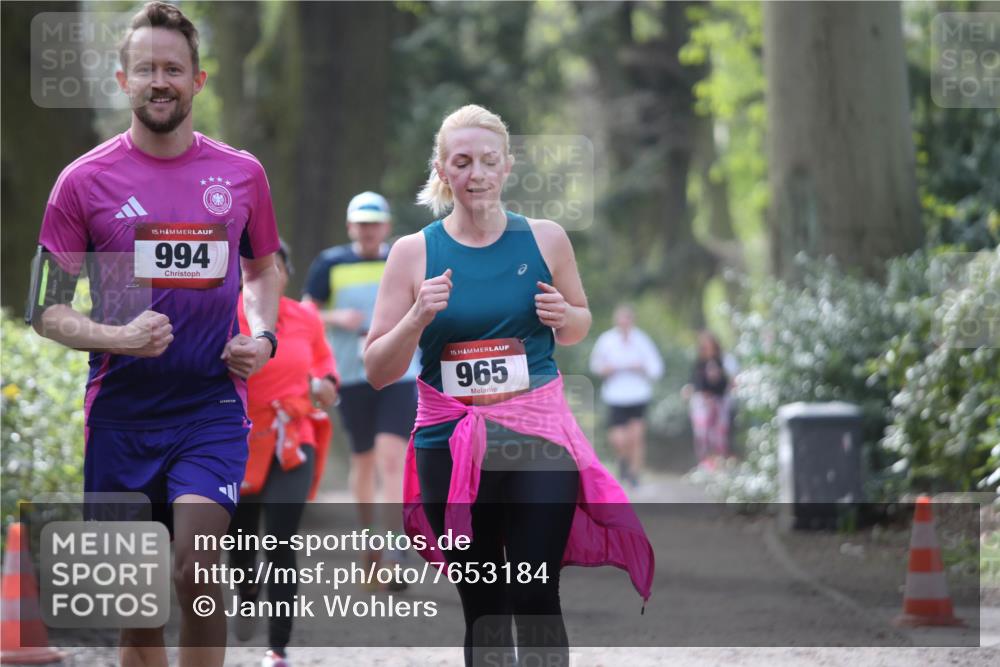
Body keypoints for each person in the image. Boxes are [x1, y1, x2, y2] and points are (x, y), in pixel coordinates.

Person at [27, 3, 281, 666]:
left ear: (199, 81)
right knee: (135, 614)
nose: (159, 80)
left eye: (173, 68)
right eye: (146, 69)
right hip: (119, 415)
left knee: (197, 567)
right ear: (123, 80)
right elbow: (46, 309)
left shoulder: (241, 174)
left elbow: (263, 269)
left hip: (209, 407)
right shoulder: (83, 182)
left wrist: (264, 335)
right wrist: (117, 335)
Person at [364, 104, 654, 667]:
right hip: (448, 443)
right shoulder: (412, 253)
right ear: (442, 170)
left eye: (488, 161)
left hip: (536, 436)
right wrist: (417, 318)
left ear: (508, 167)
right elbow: (377, 369)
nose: (477, 174)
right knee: (485, 608)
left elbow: (578, 325)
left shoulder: (546, 239)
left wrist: (561, 314)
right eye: (463, 161)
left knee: (535, 594)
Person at [228, 241, 338, 667]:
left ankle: (278, 647)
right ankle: (247, 589)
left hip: (293, 438)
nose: (268, 275)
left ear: (286, 274)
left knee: (280, 539)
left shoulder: (305, 318)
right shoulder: (228, 312)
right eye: (258, 269)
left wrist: (325, 385)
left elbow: (327, 369)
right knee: (240, 536)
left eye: (276, 268)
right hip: (239, 440)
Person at [303, 191, 418, 585]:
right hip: (351, 375)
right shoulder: (330, 264)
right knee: (364, 461)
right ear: (351, 226)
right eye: (361, 223)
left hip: (401, 372)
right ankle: (370, 541)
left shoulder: (401, 259)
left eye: (375, 223)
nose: (368, 231)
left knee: (392, 458)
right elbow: (305, 312)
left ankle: (394, 550)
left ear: (386, 226)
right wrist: (337, 316)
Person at [589, 304, 664, 488]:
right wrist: (605, 369)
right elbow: (595, 365)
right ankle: (622, 461)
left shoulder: (642, 340)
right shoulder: (606, 340)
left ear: (632, 320)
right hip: (615, 396)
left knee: (636, 438)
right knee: (619, 439)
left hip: (638, 395)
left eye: (627, 319)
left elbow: (656, 368)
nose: (623, 323)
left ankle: (634, 475)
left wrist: (642, 367)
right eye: (620, 319)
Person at [683, 331, 735, 468]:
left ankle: (720, 462)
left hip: (720, 401)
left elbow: (732, 381)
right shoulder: (699, 362)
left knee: (719, 433)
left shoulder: (724, 360)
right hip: (702, 403)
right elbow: (694, 382)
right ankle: (706, 463)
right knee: (703, 434)